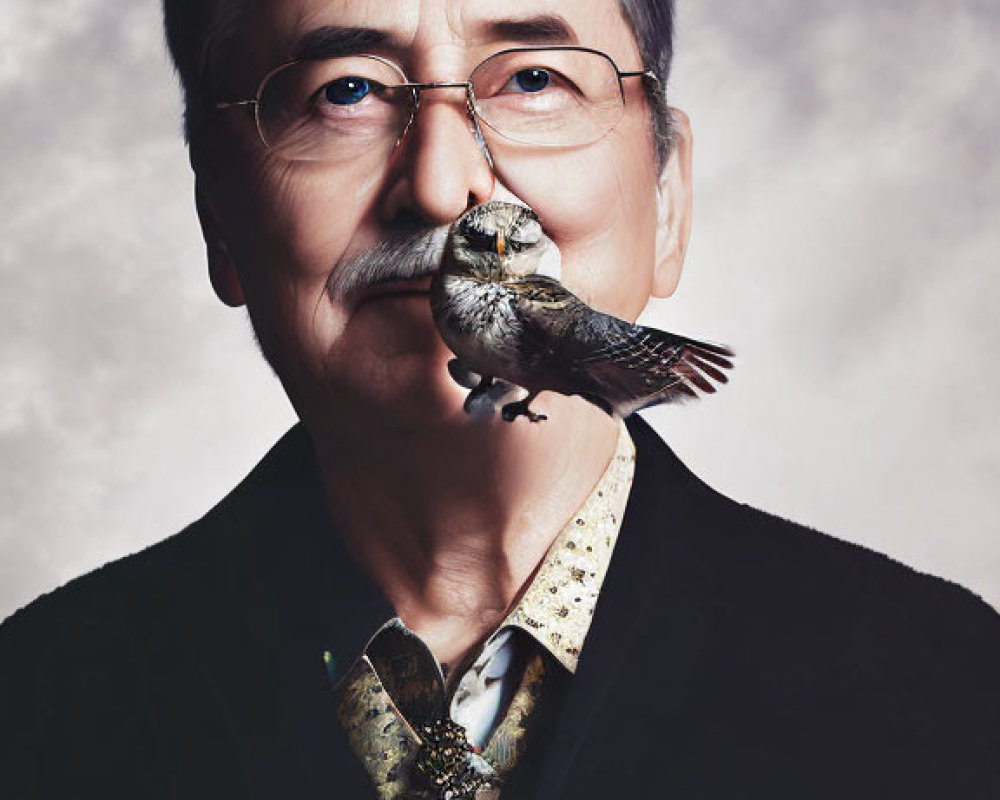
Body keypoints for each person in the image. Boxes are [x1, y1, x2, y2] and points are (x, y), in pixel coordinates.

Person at [1, 0, 998, 798]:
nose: (442, 186)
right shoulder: (36, 710)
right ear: (220, 216)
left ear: (668, 200)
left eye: (534, 79)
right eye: (344, 90)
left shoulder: (947, 691)